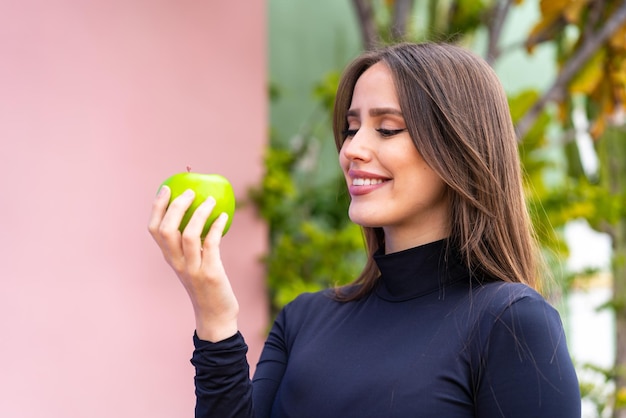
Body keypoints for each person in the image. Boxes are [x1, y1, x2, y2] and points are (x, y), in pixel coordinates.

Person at [148, 42, 581, 417]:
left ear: (457, 148)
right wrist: (215, 315)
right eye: (351, 128)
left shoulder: (510, 322)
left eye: (387, 129)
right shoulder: (303, 320)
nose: (353, 150)